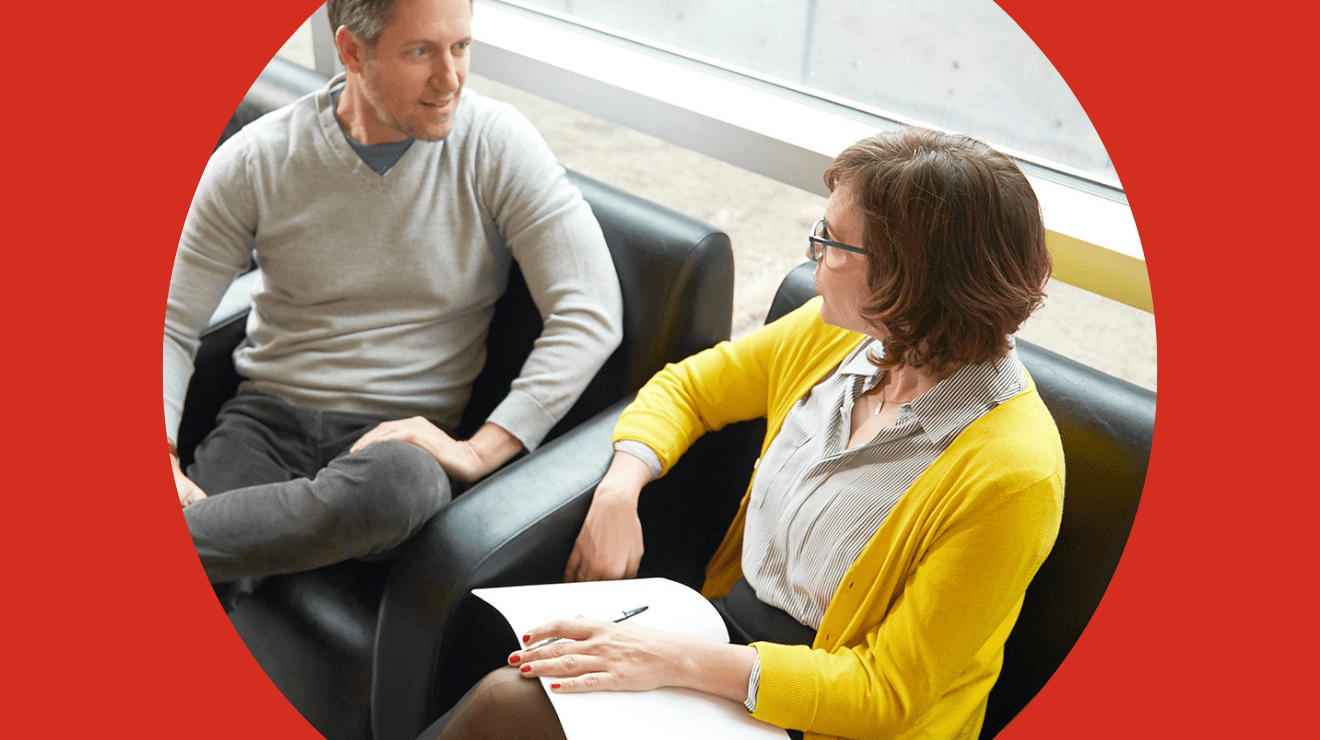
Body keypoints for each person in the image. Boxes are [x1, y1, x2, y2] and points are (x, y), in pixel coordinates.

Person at [423, 127, 1064, 740]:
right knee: (518, 683)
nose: (814, 253)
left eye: (835, 241)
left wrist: (669, 660)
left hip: (827, 713)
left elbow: (886, 693)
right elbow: (688, 388)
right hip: (727, 632)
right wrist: (620, 488)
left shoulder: (1012, 473)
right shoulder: (840, 336)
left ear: (910, 282)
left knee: (508, 706)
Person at [163, 0, 623, 601]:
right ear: (352, 50)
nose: (450, 77)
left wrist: (480, 451)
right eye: (420, 51)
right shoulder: (257, 159)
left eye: (460, 46)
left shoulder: (496, 144)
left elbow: (589, 311)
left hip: (400, 445)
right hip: (264, 427)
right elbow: (168, 318)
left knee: (399, 489)